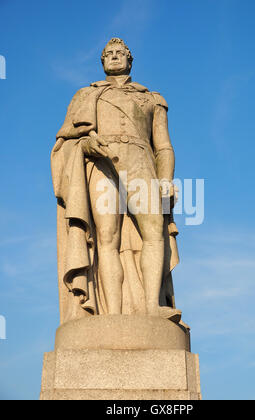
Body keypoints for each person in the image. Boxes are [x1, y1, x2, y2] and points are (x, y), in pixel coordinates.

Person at [51, 38, 181, 324]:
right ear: (102, 61)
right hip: (102, 162)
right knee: (106, 237)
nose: (114, 57)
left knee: (153, 231)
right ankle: (112, 313)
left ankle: (151, 305)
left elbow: (163, 147)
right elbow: (65, 141)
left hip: (141, 164)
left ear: (129, 60)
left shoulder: (152, 99)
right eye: (108, 54)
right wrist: (85, 146)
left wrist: (166, 179)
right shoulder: (86, 94)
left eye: (119, 53)